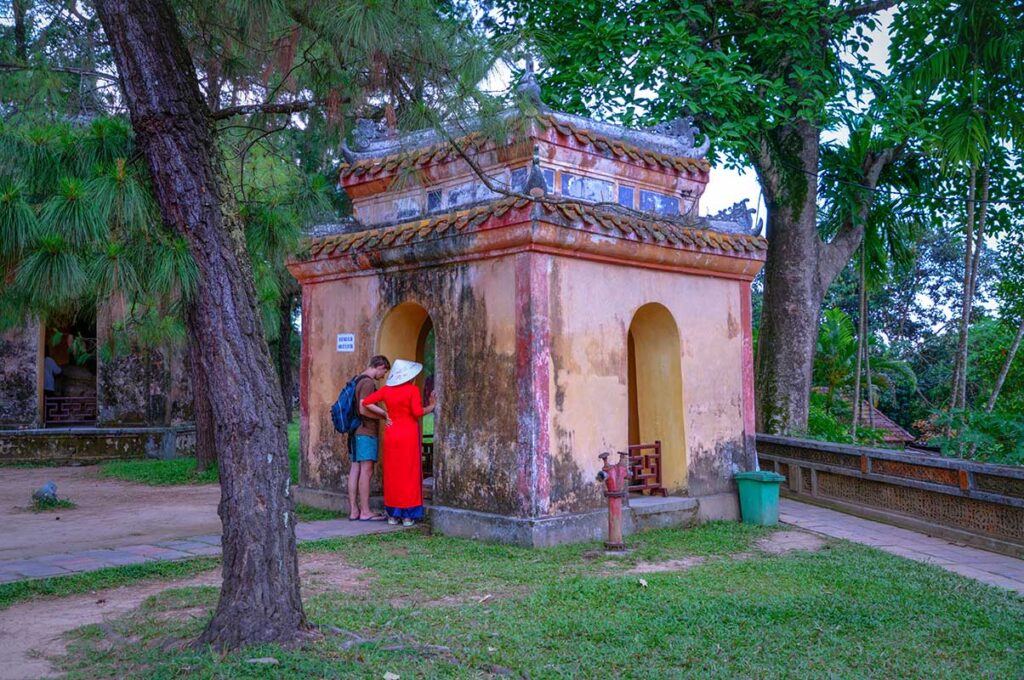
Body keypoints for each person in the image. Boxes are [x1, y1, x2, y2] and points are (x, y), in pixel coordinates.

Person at [360, 359, 437, 526]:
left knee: (393, 473)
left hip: (392, 434)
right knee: (409, 474)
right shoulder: (412, 390)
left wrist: (384, 414)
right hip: (408, 435)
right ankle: (408, 516)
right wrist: (431, 406)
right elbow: (417, 412)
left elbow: (366, 402)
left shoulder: (387, 390)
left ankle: (393, 515)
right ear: (409, 377)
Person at [348, 355, 391, 521]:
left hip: (355, 431)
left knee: (355, 469)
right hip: (365, 431)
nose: (383, 376)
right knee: (367, 470)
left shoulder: (358, 379)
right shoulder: (368, 383)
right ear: (379, 366)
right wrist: (384, 414)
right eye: (384, 371)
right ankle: (365, 511)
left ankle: (354, 511)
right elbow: (364, 407)